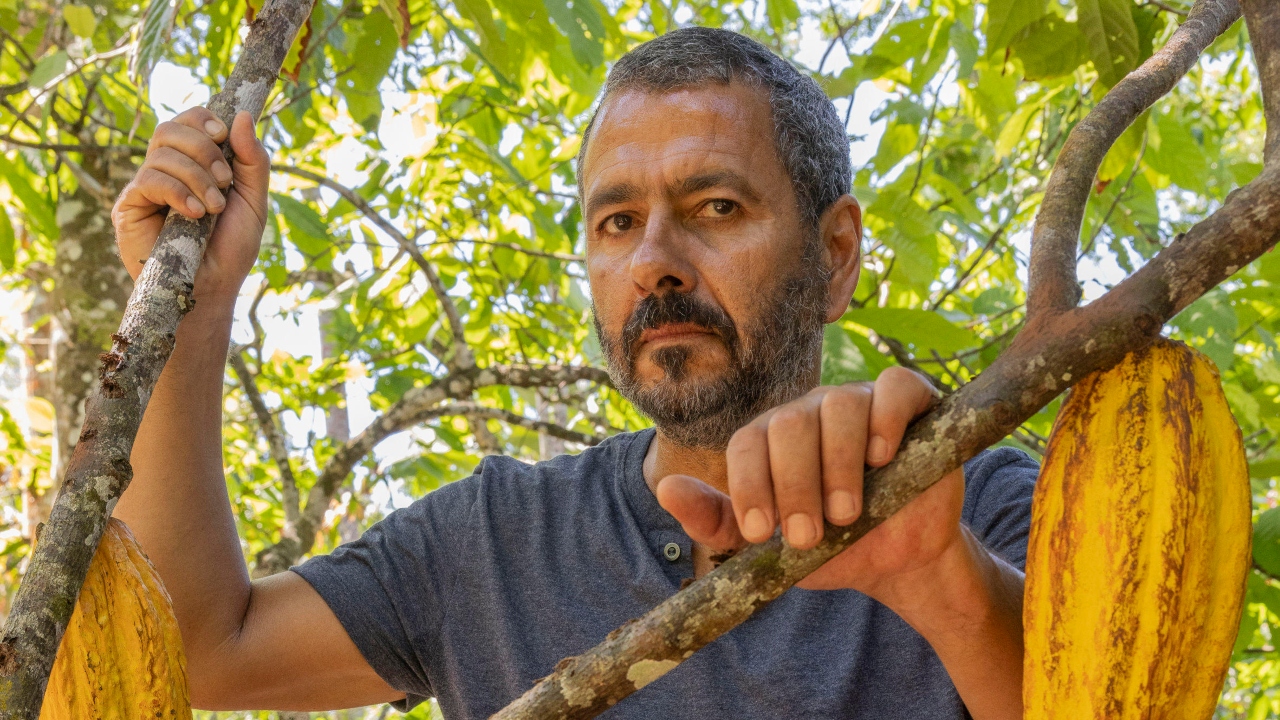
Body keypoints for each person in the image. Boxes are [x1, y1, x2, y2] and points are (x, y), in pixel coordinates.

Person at [110, 26, 1034, 720]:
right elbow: (195, 646)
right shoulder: (490, 545)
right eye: (617, 222)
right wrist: (191, 313)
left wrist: (940, 583)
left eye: (713, 205)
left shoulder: (974, 505)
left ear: (836, 256)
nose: (655, 262)